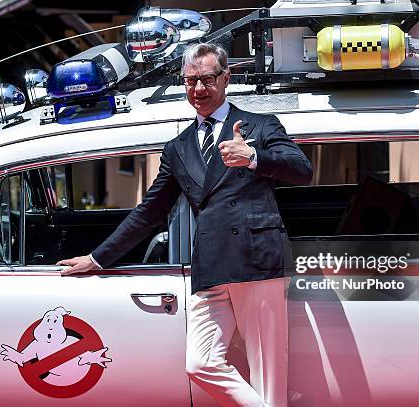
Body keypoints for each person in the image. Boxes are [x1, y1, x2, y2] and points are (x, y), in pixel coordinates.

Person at [57, 42, 312, 406]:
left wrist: (253, 156)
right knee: (200, 363)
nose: (198, 90)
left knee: (268, 373)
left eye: (207, 79)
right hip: (210, 265)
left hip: (258, 260)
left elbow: (302, 170)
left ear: (226, 78)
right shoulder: (178, 147)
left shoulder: (259, 125)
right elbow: (150, 210)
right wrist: (97, 258)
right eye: (190, 81)